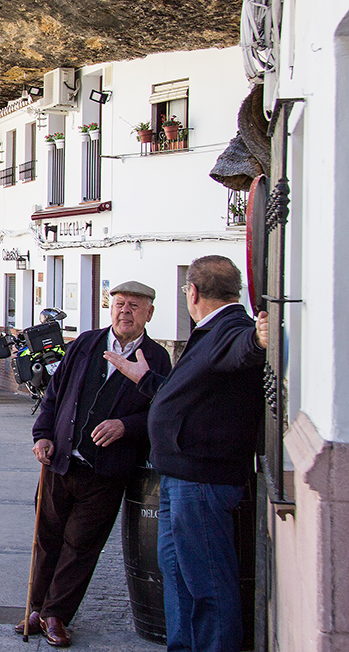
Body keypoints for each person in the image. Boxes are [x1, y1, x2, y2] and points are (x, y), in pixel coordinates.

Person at [107, 257, 268, 652]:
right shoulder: (209, 332)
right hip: (183, 479)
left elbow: (243, 350)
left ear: (192, 292)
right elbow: (187, 394)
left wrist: (262, 339)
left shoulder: (230, 328)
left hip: (201, 482)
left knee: (208, 583)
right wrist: (144, 378)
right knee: (177, 575)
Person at [19, 281, 172, 647]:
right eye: (120, 304)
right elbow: (55, 395)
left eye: (135, 306)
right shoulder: (86, 344)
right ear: (110, 307)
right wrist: (42, 435)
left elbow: (162, 412)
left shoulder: (156, 358)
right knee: (47, 539)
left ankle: (57, 614)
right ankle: (36, 609)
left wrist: (126, 426)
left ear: (149, 313)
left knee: (81, 546)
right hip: (60, 463)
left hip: (105, 471)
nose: (125, 311)